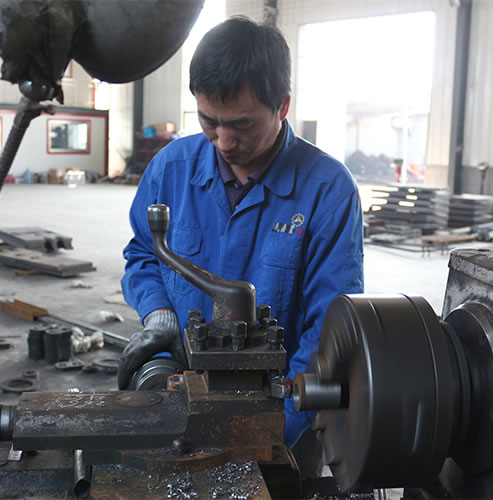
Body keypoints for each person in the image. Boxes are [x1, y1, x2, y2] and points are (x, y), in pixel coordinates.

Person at [119, 16, 364, 457]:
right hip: (181, 394)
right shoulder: (170, 169)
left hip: (285, 412)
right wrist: (160, 315)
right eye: (209, 121)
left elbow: (330, 324)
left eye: (242, 125)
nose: (224, 141)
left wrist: (273, 429)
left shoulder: (328, 190)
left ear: (282, 106)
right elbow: (143, 254)